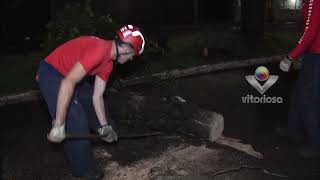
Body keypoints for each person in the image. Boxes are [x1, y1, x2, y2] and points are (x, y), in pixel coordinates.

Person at [36, 24, 145, 179]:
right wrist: (59, 124)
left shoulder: (107, 63)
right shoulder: (99, 50)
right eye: (133, 55)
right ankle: (84, 171)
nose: (131, 59)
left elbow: (97, 96)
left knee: (98, 113)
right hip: (52, 73)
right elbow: (67, 83)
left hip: (72, 76)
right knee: (76, 121)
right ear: (127, 49)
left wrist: (105, 126)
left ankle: (108, 136)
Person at [279, 0, 320, 158]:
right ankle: (293, 130)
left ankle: (315, 143)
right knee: (298, 92)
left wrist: (291, 57)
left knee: (309, 99)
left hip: (317, 56)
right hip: (312, 54)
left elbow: (310, 31)